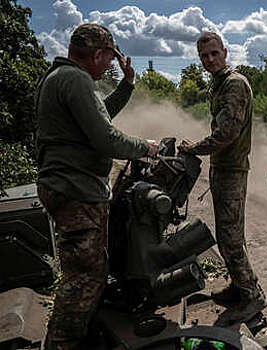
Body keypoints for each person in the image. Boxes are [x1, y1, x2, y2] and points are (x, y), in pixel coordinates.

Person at [35, 23, 159, 349]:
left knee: (91, 269)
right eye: (108, 59)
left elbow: (99, 116)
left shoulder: (61, 77)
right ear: (98, 54)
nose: (109, 67)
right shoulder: (76, 79)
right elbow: (105, 137)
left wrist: (128, 84)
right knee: (83, 278)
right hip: (75, 190)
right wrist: (144, 147)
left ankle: (84, 334)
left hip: (69, 187)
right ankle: (62, 343)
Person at [178, 31, 266, 325]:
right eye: (204, 56)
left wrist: (196, 148)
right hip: (223, 168)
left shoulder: (234, 84)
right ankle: (238, 287)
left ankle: (252, 296)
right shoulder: (218, 85)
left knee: (230, 238)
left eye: (215, 53)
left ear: (225, 53)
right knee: (227, 234)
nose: (209, 60)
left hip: (231, 169)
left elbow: (227, 132)